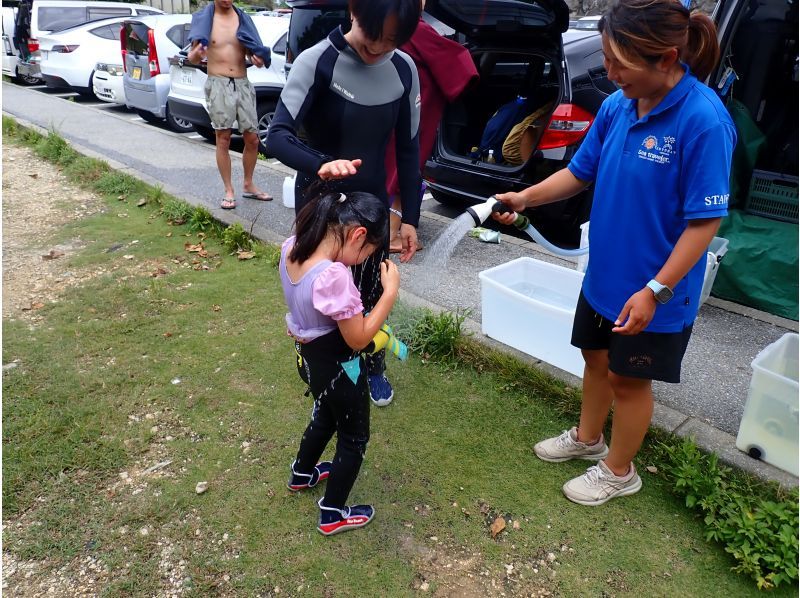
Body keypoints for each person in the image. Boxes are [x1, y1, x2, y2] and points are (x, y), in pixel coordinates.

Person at [493, 0, 736, 506]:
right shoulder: (616, 106)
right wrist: (525, 197)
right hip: (603, 274)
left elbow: (703, 222)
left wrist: (655, 290)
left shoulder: (704, 121)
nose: (608, 72)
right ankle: (588, 438)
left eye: (619, 62)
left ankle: (620, 471)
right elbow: (580, 173)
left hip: (655, 293)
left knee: (629, 380)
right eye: (607, 57)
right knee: (594, 357)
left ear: (666, 58)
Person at [268, 0, 423, 407]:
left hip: (370, 207)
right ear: (355, 10)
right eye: (374, 38)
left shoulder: (404, 69)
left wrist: (410, 218)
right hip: (320, 204)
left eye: (391, 41)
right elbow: (278, 136)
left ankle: (372, 366)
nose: (378, 50)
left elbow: (408, 151)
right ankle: (322, 365)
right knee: (322, 294)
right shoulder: (317, 61)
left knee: (370, 288)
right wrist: (321, 164)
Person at [280, 189, 399, 535]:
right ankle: (332, 514)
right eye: (367, 254)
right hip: (340, 369)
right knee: (354, 436)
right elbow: (359, 338)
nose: (362, 262)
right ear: (358, 235)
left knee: (324, 415)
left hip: (311, 361)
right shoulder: (334, 277)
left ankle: (301, 474)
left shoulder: (293, 245)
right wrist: (388, 293)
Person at [383, 5, 479, 252]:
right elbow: (454, 60)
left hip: (397, 105)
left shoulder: (390, 23)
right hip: (416, 109)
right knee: (405, 169)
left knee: (394, 165)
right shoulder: (414, 28)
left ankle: (390, 227)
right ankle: (391, 232)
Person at [187, 0, 274, 209]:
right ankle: (228, 190)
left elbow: (253, 54)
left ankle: (248, 184)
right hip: (218, 83)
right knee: (223, 138)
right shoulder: (204, 20)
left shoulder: (244, 20)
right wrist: (196, 56)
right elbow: (191, 57)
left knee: (252, 139)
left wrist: (258, 60)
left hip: (243, 83)